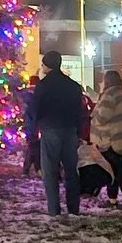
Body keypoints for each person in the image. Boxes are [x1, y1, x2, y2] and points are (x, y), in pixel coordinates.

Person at [28, 49, 84, 216]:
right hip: (70, 130)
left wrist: (32, 131)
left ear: (48, 65)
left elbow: (35, 110)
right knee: (71, 170)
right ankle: (73, 208)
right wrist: (78, 131)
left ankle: (54, 209)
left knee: (50, 171)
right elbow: (79, 111)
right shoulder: (74, 86)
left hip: (50, 129)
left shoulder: (43, 86)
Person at [91, 69, 122, 209]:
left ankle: (112, 199)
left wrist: (94, 111)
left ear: (107, 80)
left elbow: (103, 117)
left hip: (111, 139)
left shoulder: (109, 95)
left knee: (113, 171)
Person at [20, 75, 40, 176]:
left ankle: (30, 168)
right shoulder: (36, 95)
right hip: (35, 125)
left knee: (32, 146)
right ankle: (33, 168)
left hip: (29, 125)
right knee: (34, 147)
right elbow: (35, 112)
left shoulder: (25, 94)